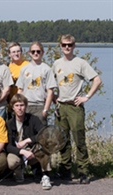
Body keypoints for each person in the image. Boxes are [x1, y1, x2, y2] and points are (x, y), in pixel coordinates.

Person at [52, 34, 102, 184]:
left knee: (79, 139)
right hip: (61, 106)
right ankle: (65, 170)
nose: (67, 47)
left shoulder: (80, 63)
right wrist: (54, 99)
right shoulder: (56, 64)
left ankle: (83, 172)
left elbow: (97, 80)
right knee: (62, 140)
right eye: (64, 45)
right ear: (60, 46)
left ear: (74, 46)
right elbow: (49, 83)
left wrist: (87, 96)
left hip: (75, 106)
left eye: (70, 45)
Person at [6, 94, 52, 190]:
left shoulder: (33, 119)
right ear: (13, 107)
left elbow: (44, 134)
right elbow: (8, 146)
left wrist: (27, 140)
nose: (20, 108)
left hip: (32, 149)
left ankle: (45, 176)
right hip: (18, 151)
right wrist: (23, 152)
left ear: (26, 106)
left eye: (22, 105)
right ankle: (19, 172)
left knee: (46, 146)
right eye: (17, 105)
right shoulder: (9, 123)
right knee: (11, 161)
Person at [16, 41, 57, 125]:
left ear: (42, 52)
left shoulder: (47, 69)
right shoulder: (24, 69)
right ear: (29, 53)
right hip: (26, 106)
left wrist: (46, 109)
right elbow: (20, 90)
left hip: (40, 106)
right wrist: (18, 106)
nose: (35, 53)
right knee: (25, 133)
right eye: (33, 51)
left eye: (38, 51)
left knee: (40, 135)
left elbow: (50, 91)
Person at [7, 42, 30, 119]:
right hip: (11, 103)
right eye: (13, 52)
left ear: (21, 52)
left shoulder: (28, 65)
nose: (16, 54)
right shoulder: (7, 67)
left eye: (18, 51)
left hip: (24, 104)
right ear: (9, 54)